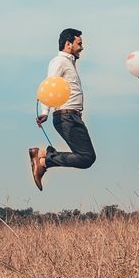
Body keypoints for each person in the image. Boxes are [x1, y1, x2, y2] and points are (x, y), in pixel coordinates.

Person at [29, 28, 96, 191]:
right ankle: (43, 161)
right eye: (79, 43)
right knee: (86, 158)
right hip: (66, 117)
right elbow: (50, 84)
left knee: (87, 157)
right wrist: (45, 112)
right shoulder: (59, 62)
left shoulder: (69, 63)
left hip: (72, 117)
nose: (82, 47)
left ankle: (44, 155)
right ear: (68, 44)